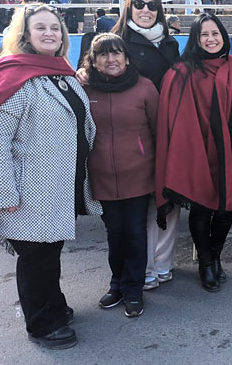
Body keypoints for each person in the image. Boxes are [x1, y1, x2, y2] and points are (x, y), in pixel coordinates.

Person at [0, 4, 102, 349]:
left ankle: (52, 305)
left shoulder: (60, 74)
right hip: (27, 191)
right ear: (25, 35)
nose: (50, 33)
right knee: (36, 258)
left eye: (55, 28)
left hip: (57, 186)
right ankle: (42, 324)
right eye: (41, 28)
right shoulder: (13, 76)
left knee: (49, 254)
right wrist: (2, 195)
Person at [156, 14, 232, 293]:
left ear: (223, 36)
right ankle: (205, 263)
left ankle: (215, 256)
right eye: (203, 34)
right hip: (196, 148)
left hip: (229, 147)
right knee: (202, 207)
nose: (210, 39)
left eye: (215, 33)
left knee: (226, 208)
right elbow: (170, 116)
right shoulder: (181, 71)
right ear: (195, 39)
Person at [107, 0, 180, 290]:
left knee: (170, 197)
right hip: (134, 134)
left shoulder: (170, 44)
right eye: (138, 4)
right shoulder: (116, 42)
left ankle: (163, 262)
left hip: (169, 129)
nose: (145, 10)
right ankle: (145, 265)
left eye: (151, 5)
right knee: (143, 205)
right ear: (129, 7)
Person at [81, 33, 158, 318]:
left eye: (116, 53)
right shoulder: (85, 88)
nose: (111, 60)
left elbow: (158, 130)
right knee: (115, 233)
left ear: (126, 57)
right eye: (103, 54)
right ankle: (117, 283)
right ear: (94, 60)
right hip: (101, 176)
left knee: (136, 233)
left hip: (138, 175)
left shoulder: (145, 88)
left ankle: (134, 288)